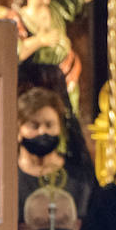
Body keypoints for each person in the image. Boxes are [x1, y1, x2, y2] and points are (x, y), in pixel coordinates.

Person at [17, 86, 96, 218]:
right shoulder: (7, 180)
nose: (42, 132)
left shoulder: (79, 177)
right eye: (34, 126)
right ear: (18, 130)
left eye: (49, 125)